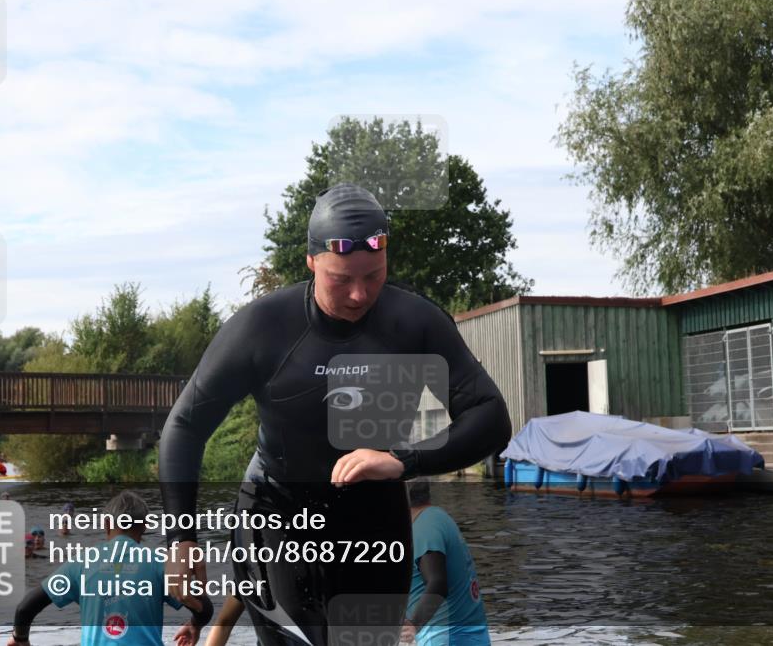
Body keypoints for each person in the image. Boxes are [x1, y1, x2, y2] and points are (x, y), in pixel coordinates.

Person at [159, 183, 512, 645]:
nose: (359, 295)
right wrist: (181, 538)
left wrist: (405, 459)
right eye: (341, 279)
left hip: (375, 517)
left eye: (374, 276)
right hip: (276, 515)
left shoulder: (414, 324)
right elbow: (185, 425)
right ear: (311, 262)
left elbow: (491, 417)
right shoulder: (263, 327)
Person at [7, 490, 211, 646]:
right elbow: (205, 608)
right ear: (145, 526)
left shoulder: (81, 563)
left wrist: (21, 639)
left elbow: (26, 608)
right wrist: (194, 624)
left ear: (107, 523)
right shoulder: (160, 563)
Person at [401, 479, 490, 646]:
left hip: (446, 637)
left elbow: (437, 583)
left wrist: (414, 625)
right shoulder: (437, 516)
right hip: (469, 634)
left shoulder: (423, 528)